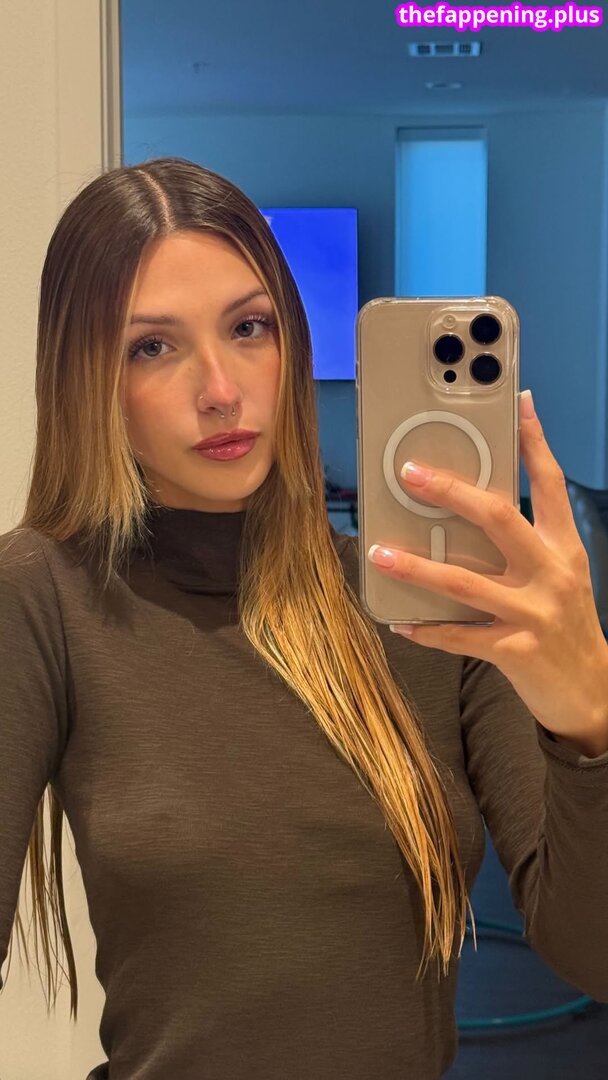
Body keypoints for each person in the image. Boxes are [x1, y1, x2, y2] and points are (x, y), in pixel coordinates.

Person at [0, 156, 607, 1080]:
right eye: (152, 347)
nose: (221, 388)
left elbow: (594, 954)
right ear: (88, 380)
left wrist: (590, 719)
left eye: (250, 327)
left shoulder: (432, 600)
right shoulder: (44, 594)